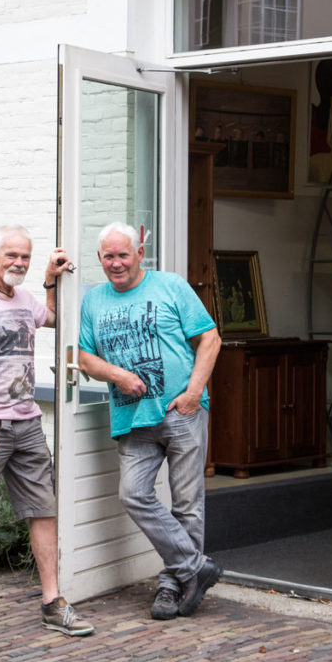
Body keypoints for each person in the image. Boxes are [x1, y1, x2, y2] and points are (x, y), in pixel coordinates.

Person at [0, 224, 94, 639]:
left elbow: (50, 318)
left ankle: (52, 602)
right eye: (11, 255)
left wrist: (50, 279)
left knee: (42, 510)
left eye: (25, 257)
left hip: (27, 423)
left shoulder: (25, 298)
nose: (18, 263)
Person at [77, 222, 222, 621]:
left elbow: (210, 338)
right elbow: (84, 357)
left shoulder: (171, 286)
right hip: (132, 417)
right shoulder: (94, 301)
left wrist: (193, 394)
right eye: (108, 256)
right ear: (99, 259)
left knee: (187, 503)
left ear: (140, 253)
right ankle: (194, 567)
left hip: (181, 411)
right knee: (133, 494)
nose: (116, 263)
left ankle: (173, 585)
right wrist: (119, 375)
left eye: (124, 254)